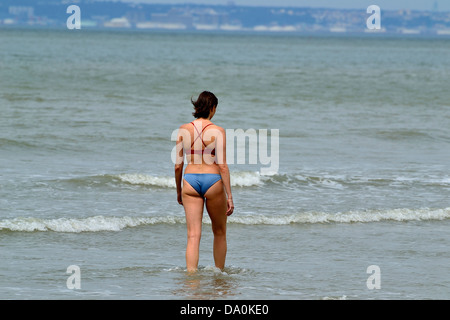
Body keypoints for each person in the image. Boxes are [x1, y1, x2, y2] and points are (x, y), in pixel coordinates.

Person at [174, 91, 234, 273]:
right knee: (220, 232)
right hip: (213, 181)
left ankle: (192, 280)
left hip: (190, 181)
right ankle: (218, 275)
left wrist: (179, 190)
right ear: (213, 108)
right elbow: (222, 166)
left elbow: (178, 165)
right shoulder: (218, 131)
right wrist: (230, 196)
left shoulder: (183, 129)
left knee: (193, 235)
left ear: (196, 107)